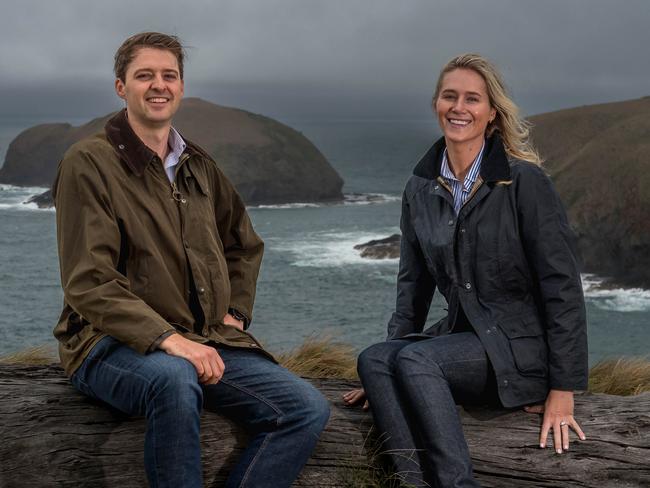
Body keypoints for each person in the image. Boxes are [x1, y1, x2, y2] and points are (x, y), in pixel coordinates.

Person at [52, 32, 329, 488]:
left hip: (202, 337)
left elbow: (243, 244)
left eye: (169, 75)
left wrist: (236, 311)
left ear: (181, 86)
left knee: (304, 409)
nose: (158, 85)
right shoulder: (88, 162)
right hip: (107, 344)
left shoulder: (198, 164)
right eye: (145, 75)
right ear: (121, 86)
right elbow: (89, 281)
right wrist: (166, 339)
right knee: (174, 380)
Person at [343, 53, 588, 487]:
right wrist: (390, 368)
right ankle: (412, 483)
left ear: (492, 113)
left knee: (417, 359)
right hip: (464, 339)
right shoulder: (420, 187)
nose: (459, 107)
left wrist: (563, 391)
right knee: (375, 360)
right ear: (437, 103)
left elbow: (562, 285)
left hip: (520, 348)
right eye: (449, 96)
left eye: (472, 99)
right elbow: (412, 286)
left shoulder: (523, 182)